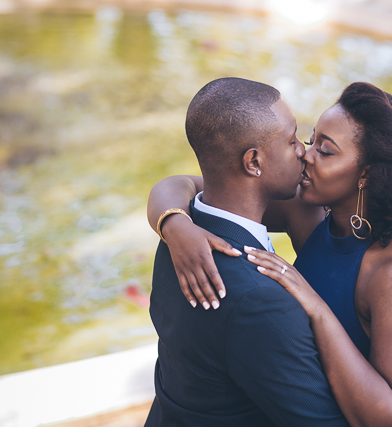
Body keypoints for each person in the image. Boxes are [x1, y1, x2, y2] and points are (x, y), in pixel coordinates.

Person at [148, 81, 392, 426]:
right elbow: (183, 184)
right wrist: (175, 225)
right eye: (309, 139)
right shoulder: (307, 212)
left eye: (325, 151)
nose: (305, 153)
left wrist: (317, 309)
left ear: (365, 175)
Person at [145, 77, 350, 426]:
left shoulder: (178, 240)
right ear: (253, 162)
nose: (303, 150)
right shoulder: (260, 301)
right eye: (291, 140)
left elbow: (179, 184)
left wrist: (173, 223)